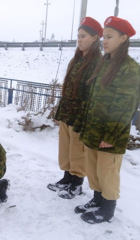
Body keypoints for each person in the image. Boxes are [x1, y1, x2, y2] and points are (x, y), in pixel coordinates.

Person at [74, 16, 140, 224]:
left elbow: (125, 106)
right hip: (94, 130)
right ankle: (97, 200)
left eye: (110, 37)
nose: (105, 40)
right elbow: (94, 99)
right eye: (104, 36)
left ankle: (108, 208)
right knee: (94, 169)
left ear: (123, 38)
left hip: (110, 134)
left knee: (107, 172)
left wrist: (110, 136)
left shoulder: (130, 69)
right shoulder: (105, 63)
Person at [47, 17, 103, 199]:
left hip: (81, 117)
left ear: (95, 38)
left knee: (78, 151)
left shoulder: (96, 63)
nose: (79, 40)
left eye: (83, 36)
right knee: (66, 149)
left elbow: (92, 96)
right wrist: (59, 112)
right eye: (78, 36)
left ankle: (76, 184)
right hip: (67, 114)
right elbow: (68, 89)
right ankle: (66, 179)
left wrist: (85, 119)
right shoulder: (77, 59)